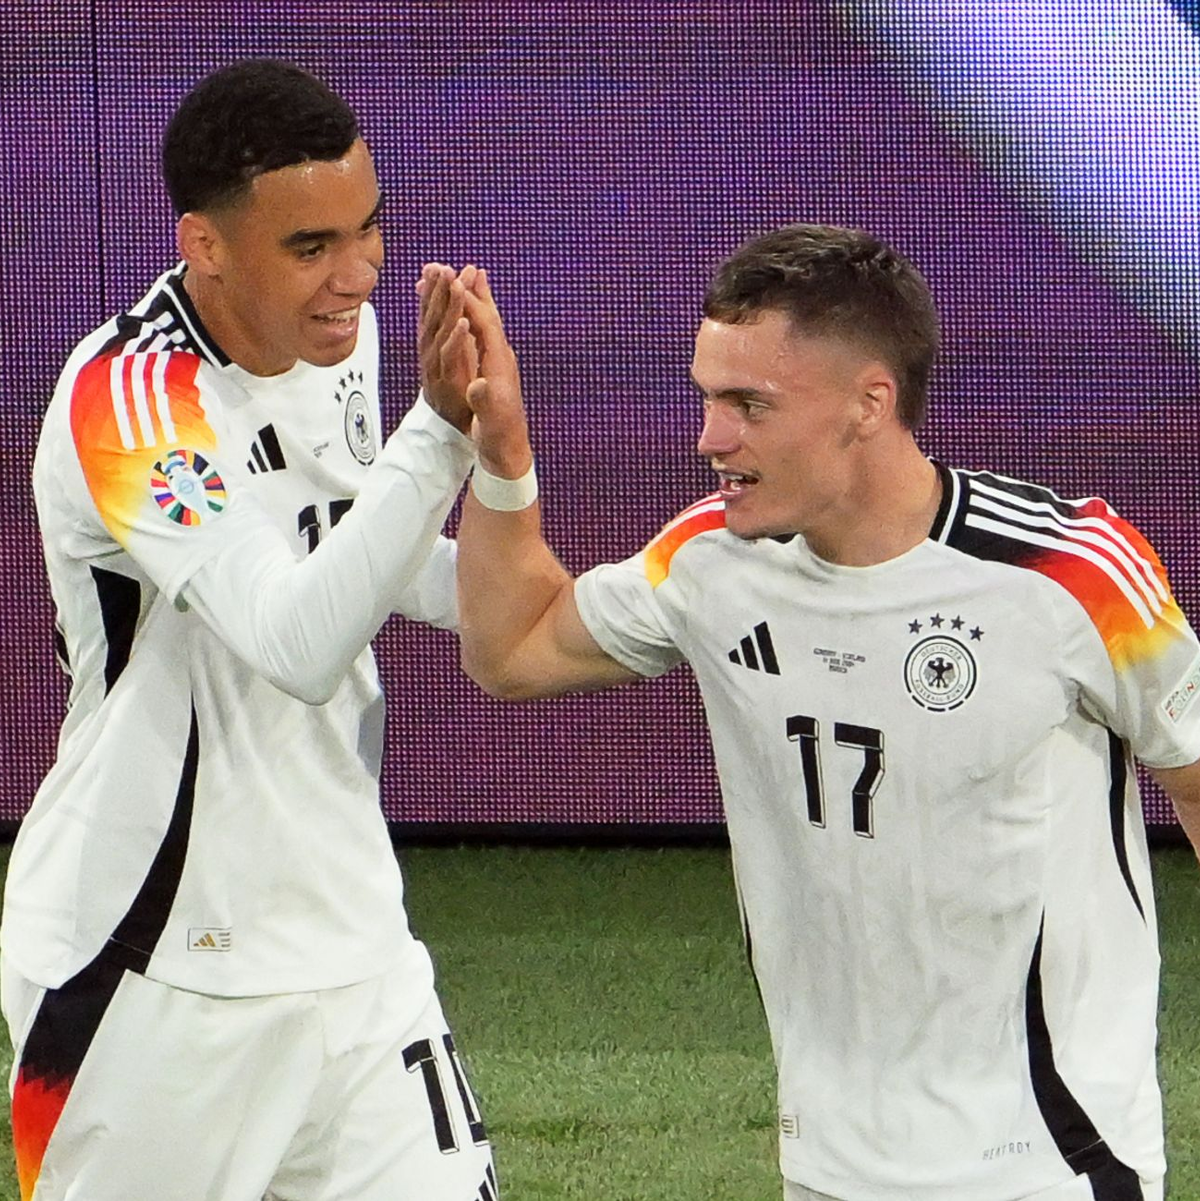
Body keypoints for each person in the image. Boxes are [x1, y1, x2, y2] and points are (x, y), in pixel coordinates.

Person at [436, 225, 1200, 1201]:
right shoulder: (712, 558)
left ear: (867, 404)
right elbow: (512, 649)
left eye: (748, 404)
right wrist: (500, 456)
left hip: (1052, 1160)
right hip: (829, 1166)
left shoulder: (1068, 571)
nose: (710, 436)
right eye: (707, 396)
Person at [2, 60, 498, 1201]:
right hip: (153, 968)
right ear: (206, 243)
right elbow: (294, 641)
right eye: (311, 246)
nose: (357, 277)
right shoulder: (130, 403)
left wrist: (593, 606)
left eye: (370, 231)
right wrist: (439, 437)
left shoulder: (350, 345)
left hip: (355, 944)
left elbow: (351, 551)